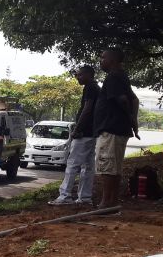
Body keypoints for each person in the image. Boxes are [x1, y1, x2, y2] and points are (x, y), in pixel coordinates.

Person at [92, 49, 137, 208]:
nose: (101, 60)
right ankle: (112, 202)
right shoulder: (122, 76)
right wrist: (133, 121)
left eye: (103, 57)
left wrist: (130, 118)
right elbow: (134, 99)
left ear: (112, 60)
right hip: (118, 128)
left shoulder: (113, 76)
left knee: (107, 166)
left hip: (111, 128)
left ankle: (106, 202)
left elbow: (125, 100)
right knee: (114, 167)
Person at [50, 65, 99, 206]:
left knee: (72, 164)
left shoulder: (90, 87)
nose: (77, 77)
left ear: (89, 75)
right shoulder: (95, 87)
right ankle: (84, 197)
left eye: (80, 75)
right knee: (88, 167)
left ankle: (65, 196)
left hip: (84, 133)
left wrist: (77, 129)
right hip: (92, 133)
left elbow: (87, 109)